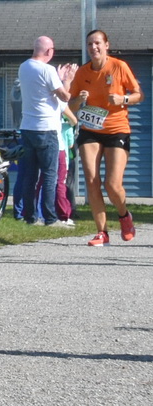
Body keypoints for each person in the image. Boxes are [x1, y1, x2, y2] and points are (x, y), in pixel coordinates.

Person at [69, 28, 142, 247]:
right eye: (90, 44)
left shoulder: (119, 67)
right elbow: (70, 105)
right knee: (92, 180)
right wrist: (79, 100)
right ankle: (102, 232)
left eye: (98, 43)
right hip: (90, 130)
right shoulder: (83, 73)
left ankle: (124, 216)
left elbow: (139, 94)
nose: (94, 48)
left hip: (117, 129)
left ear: (106, 45)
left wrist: (123, 99)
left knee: (112, 184)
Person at [14, 36, 76, 228]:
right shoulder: (47, 70)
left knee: (30, 175)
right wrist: (67, 80)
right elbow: (64, 96)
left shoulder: (24, 67)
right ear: (49, 51)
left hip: (27, 127)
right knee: (50, 175)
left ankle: (30, 217)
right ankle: (50, 218)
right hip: (47, 129)